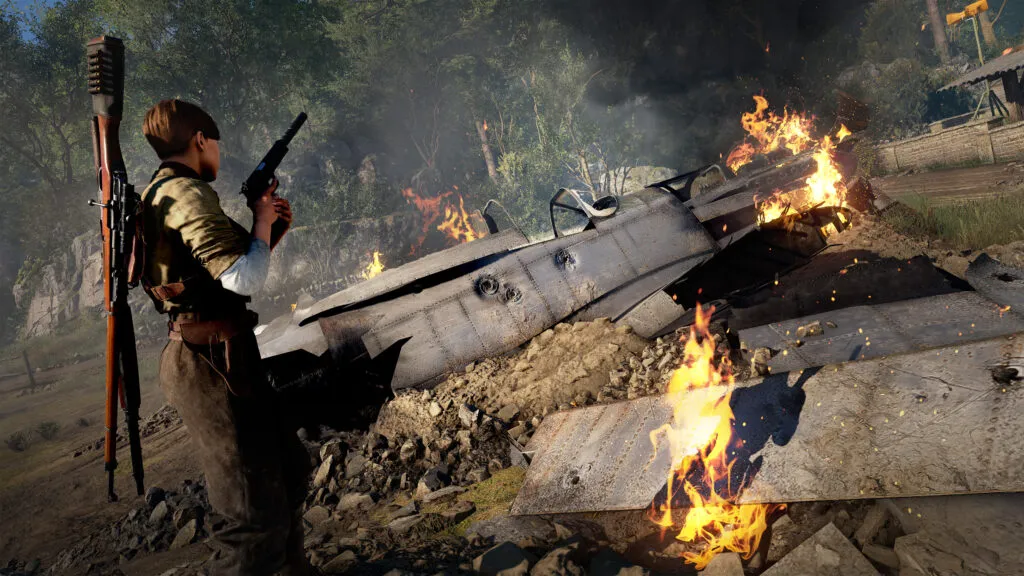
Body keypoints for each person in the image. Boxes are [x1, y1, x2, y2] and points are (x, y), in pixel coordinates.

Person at [138, 99, 310, 576]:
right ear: (199, 140)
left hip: (225, 351)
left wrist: (268, 228)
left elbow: (214, 271)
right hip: (208, 359)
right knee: (247, 511)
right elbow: (243, 279)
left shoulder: (163, 191)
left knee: (288, 468)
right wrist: (259, 217)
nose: (216, 152)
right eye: (214, 143)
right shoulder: (186, 193)